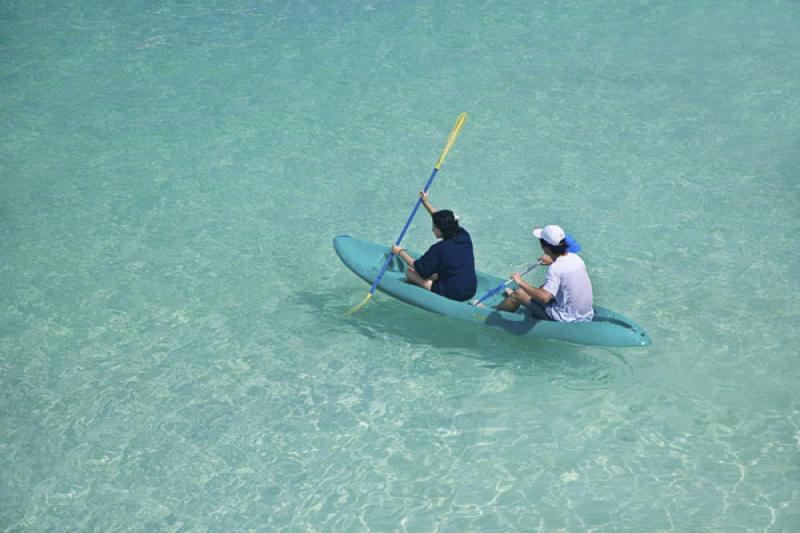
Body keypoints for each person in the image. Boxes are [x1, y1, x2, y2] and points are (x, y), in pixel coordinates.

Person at [391, 192, 478, 301]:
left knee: (410, 272)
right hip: (471, 289)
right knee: (436, 272)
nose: (432, 229)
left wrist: (400, 252)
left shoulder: (439, 249)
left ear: (441, 229)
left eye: (434, 227)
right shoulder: (463, 234)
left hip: (454, 293)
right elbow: (441, 219)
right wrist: (425, 202)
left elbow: (418, 267)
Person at [496, 224, 594, 322]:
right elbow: (564, 270)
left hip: (566, 319)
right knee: (546, 287)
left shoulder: (555, 268)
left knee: (518, 293)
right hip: (586, 315)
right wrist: (553, 261)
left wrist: (520, 281)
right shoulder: (576, 258)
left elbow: (544, 298)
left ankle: (493, 315)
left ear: (546, 248)